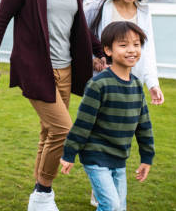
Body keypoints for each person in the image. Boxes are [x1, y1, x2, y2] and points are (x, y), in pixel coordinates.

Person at [0, 0, 106, 211]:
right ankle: (43, 192)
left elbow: (78, 26)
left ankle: (37, 199)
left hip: (66, 70)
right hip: (36, 69)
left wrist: (98, 49)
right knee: (65, 131)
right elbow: (0, 20)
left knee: (48, 133)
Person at [60, 21, 155, 211]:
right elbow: (83, 123)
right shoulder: (99, 84)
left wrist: (147, 157)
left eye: (136, 44)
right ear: (108, 50)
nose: (131, 50)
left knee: (119, 207)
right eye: (123, 45)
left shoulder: (137, 86)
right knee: (110, 205)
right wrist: (69, 153)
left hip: (119, 159)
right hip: (96, 156)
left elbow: (144, 125)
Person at [84, 0, 164, 105]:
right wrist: (92, 59)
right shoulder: (96, 7)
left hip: (131, 83)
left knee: (125, 122)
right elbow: (79, 36)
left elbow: (148, 51)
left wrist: (153, 84)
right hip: (101, 80)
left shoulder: (144, 13)